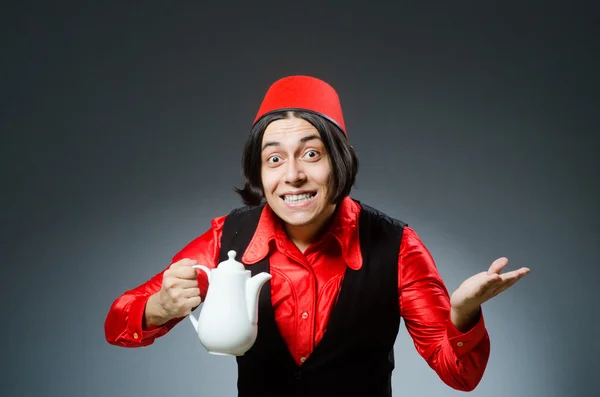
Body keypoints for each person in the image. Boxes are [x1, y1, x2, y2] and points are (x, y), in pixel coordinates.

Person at [104, 75, 530, 396]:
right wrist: (159, 307)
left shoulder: (396, 245)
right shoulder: (226, 237)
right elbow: (117, 321)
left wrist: (463, 316)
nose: (293, 175)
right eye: (274, 159)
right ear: (259, 173)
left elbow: (461, 375)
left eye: (311, 153)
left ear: (339, 161)